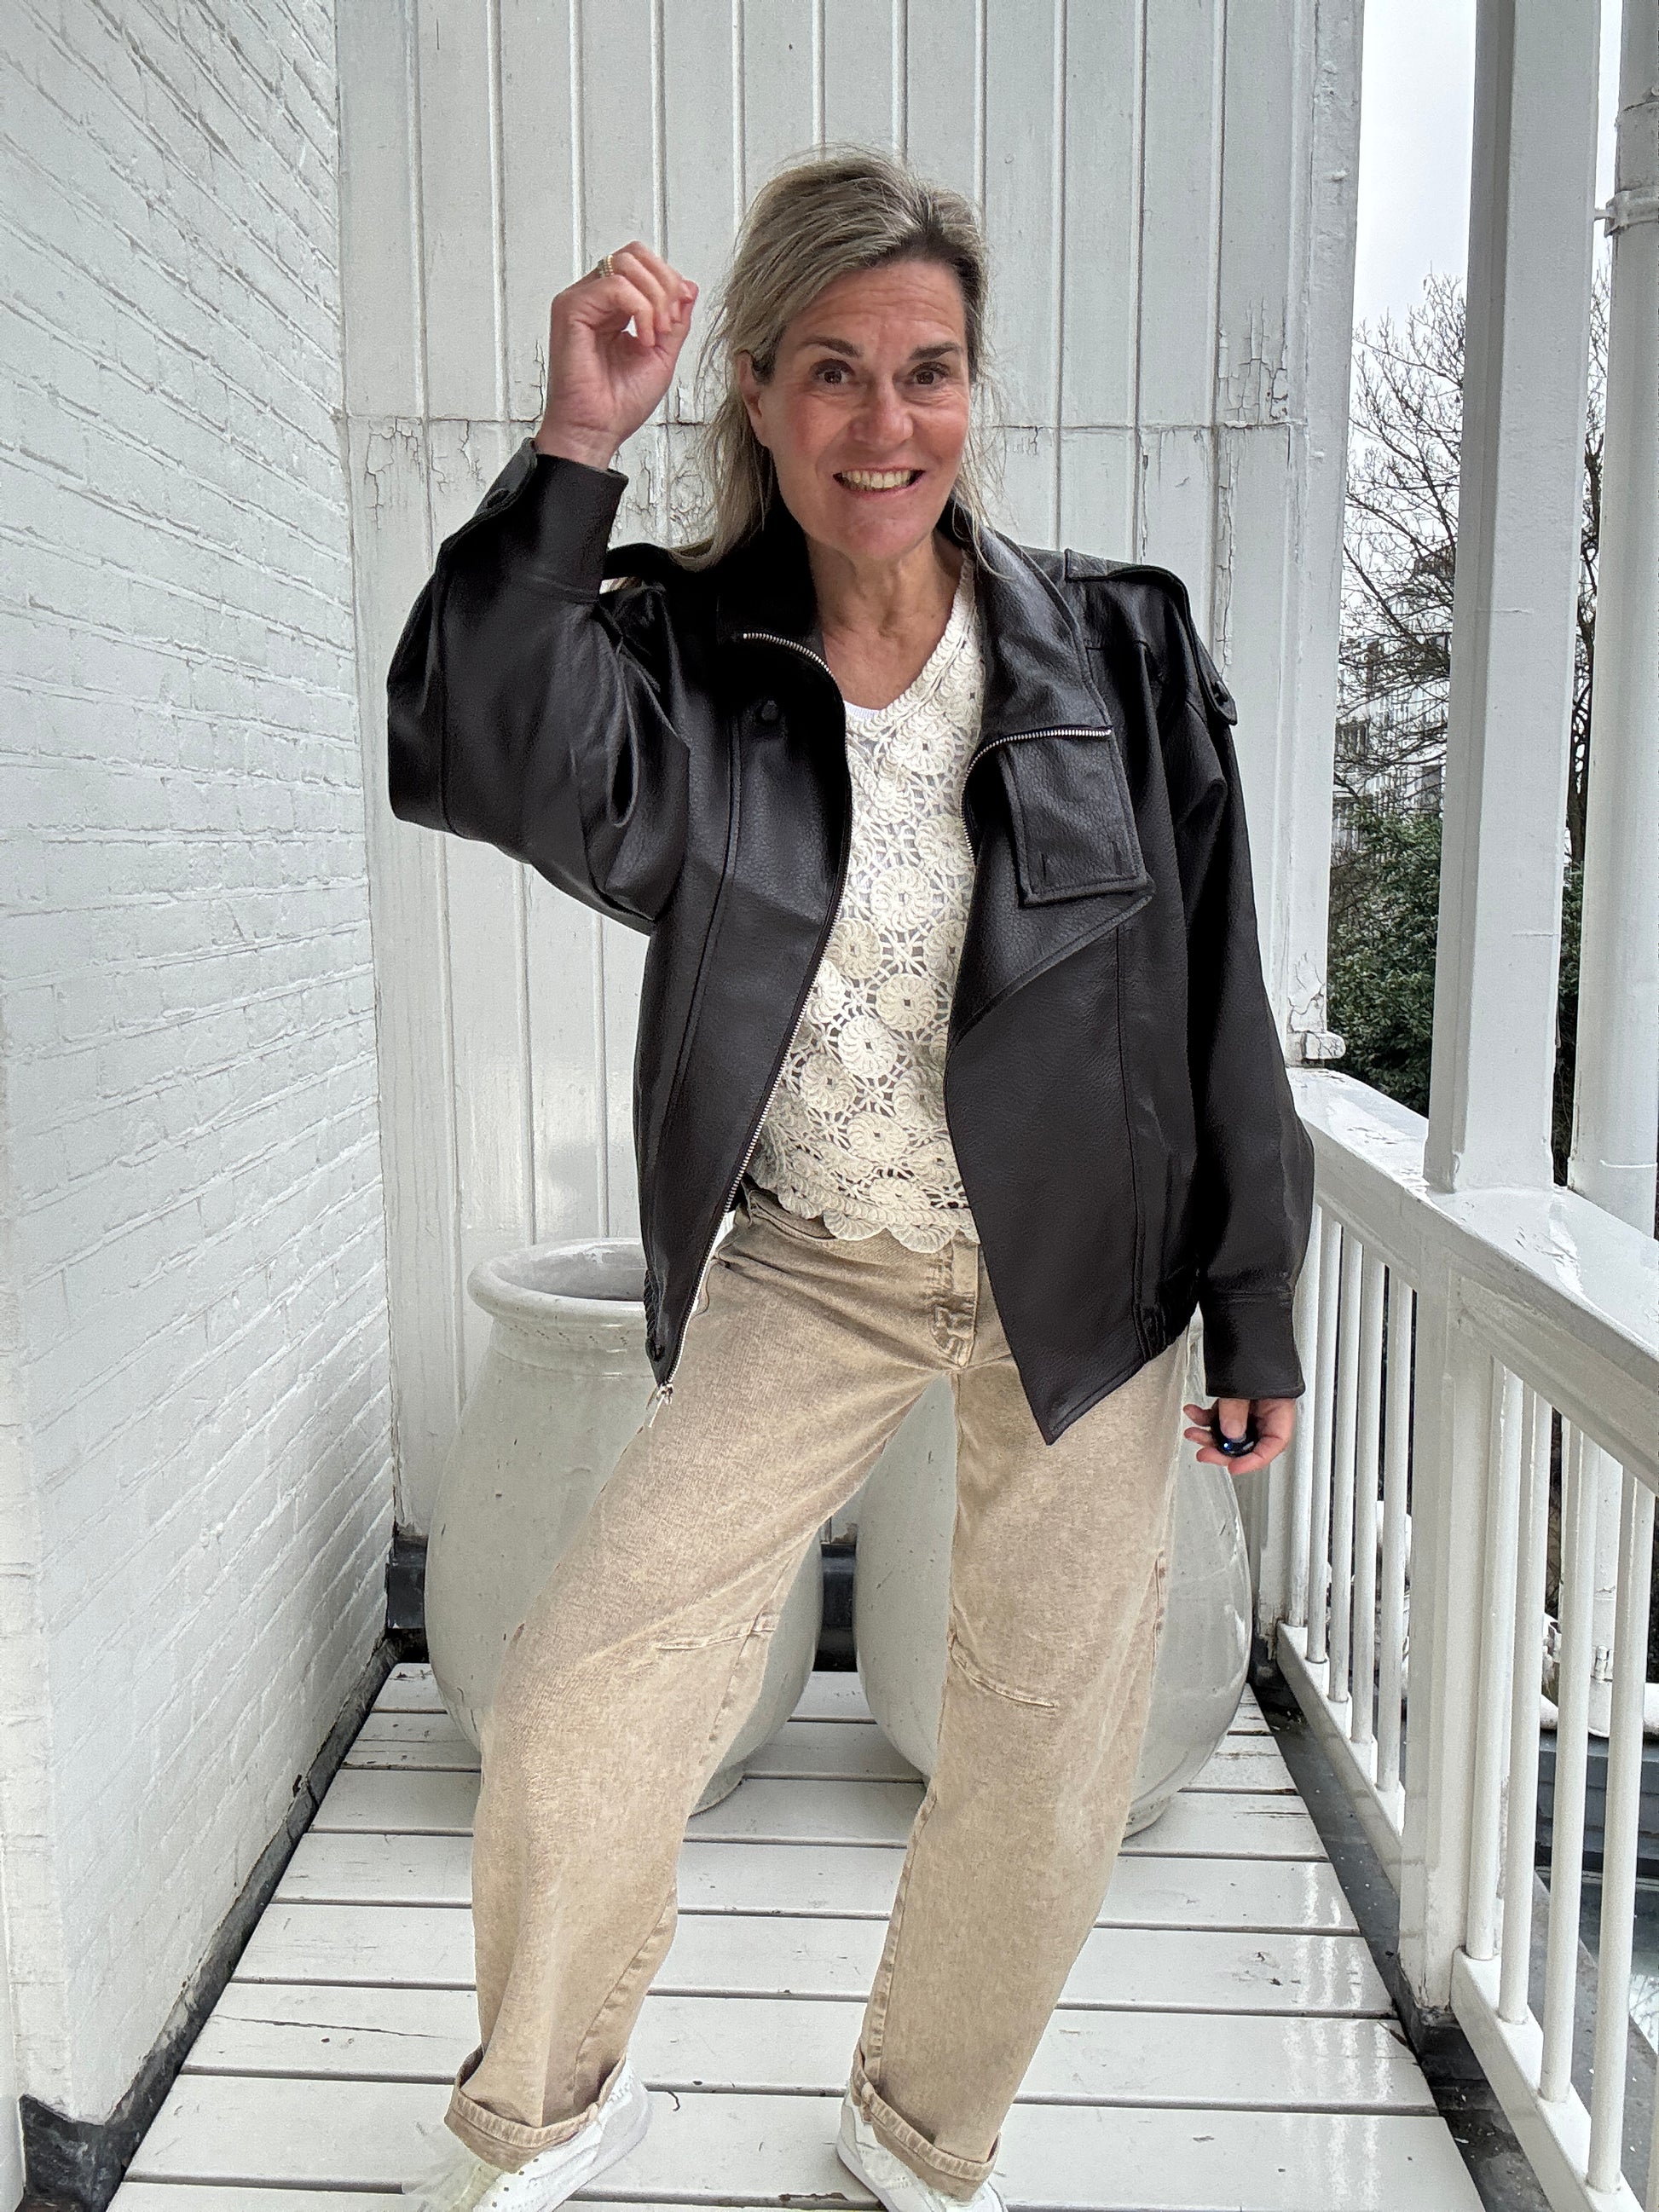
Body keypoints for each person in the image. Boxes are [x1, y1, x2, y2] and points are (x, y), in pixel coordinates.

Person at [389, 146, 1313, 2212]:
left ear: (973, 386)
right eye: (831, 369)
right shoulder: (677, 659)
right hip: (815, 1259)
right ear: (755, 389)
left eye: (928, 370)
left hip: (1088, 1272)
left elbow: (1216, 991)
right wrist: (572, 442)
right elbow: (468, 744)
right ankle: (546, 2098)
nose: (884, 421)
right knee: (585, 1682)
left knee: (1041, 1746)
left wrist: (1252, 1298)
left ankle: (920, 2129)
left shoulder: (1122, 650)